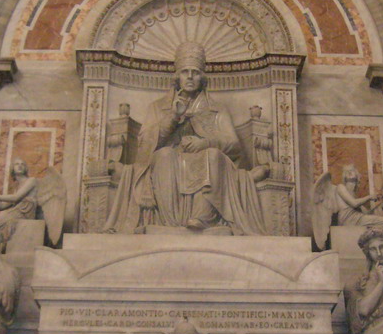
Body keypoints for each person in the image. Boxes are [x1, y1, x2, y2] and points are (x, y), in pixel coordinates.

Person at [103, 41, 269, 234]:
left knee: (213, 156)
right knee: (164, 156)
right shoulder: (158, 108)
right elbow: (146, 145)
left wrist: (205, 143)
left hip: (206, 157)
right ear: (177, 77)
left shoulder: (217, 110)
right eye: (185, 72)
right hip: (170, 159)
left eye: (195, 72)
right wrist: (172, 117)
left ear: (202, 78)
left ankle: (202, 217)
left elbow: (234, 145)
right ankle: (170, 222)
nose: (190, 77)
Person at [0, 159, 38, 243]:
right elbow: (2, 206)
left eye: (22, 164)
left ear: (25, 168)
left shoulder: (31, 181)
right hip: (15, 212)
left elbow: (15, 198)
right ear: (12, 169)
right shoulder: (17, 187)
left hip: (23, 213)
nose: (20, 165)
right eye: (17, 164)